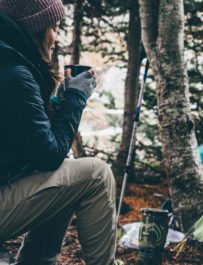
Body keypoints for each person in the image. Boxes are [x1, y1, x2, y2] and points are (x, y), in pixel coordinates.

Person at [0, 0, 116, 264]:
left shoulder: (6, 64)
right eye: (53, 27)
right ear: (35, 29)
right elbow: (48, 155)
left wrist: (56, 103)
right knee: (96, 174)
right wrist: (75, 98)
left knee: (66, 176)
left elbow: (24, 139)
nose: (57, 37)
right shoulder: (14, 74)